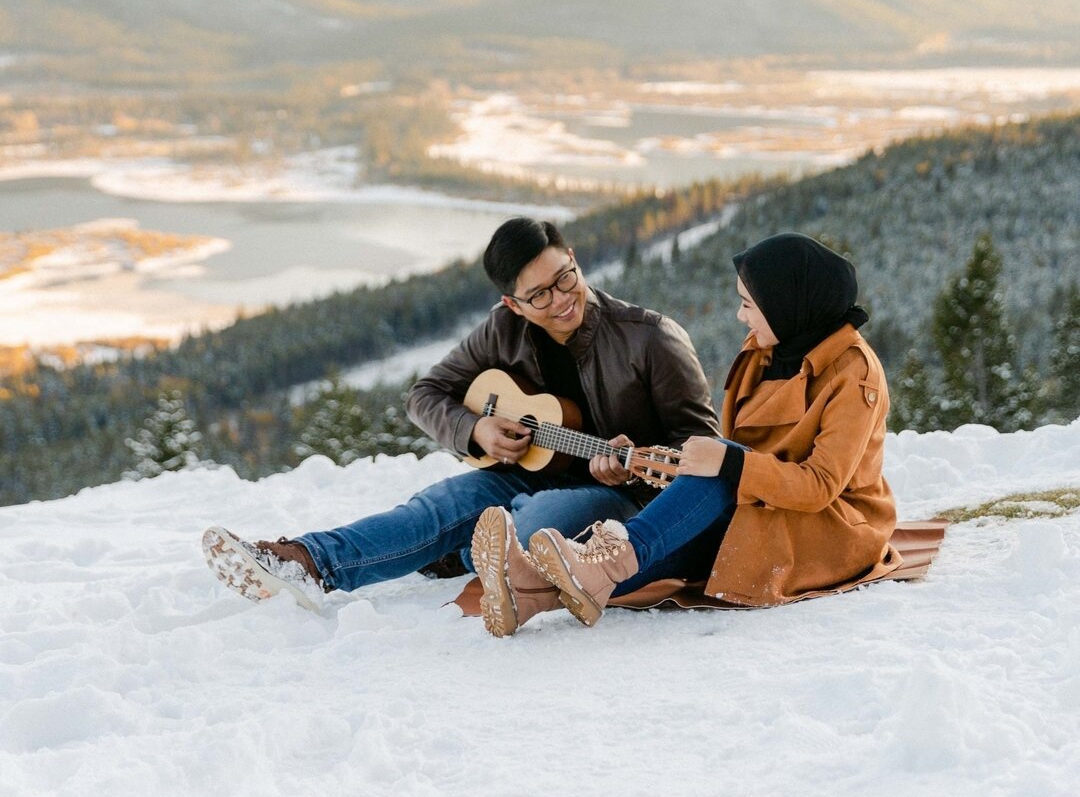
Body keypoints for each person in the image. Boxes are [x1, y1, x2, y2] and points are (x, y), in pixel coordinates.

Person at [202, 216, 720, 623]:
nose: (561, 300)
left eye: (566, 279)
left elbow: (707, 451)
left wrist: (629, 469)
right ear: (511, 304)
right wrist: (475, 429)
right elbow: (425, 394)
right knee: (436, 507)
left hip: (622, 496)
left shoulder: (651, 338)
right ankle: (304, 562)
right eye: (539, 295)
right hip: (529, 470)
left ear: (575, 260)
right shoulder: (502, 331)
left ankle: (464, 547)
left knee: (531, 526)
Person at [472, 232, 898, 634]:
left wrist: (728, 461)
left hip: (829, 527)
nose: (740, 316)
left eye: (749, 304)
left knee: (668, 527)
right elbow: (741, 463)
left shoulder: (854, 373)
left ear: (787, 304)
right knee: (666, 540)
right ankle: (532, 591)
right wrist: (649, 460)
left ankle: (581, 569)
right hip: (764, 508)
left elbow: (819, 485)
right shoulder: (765, 353)